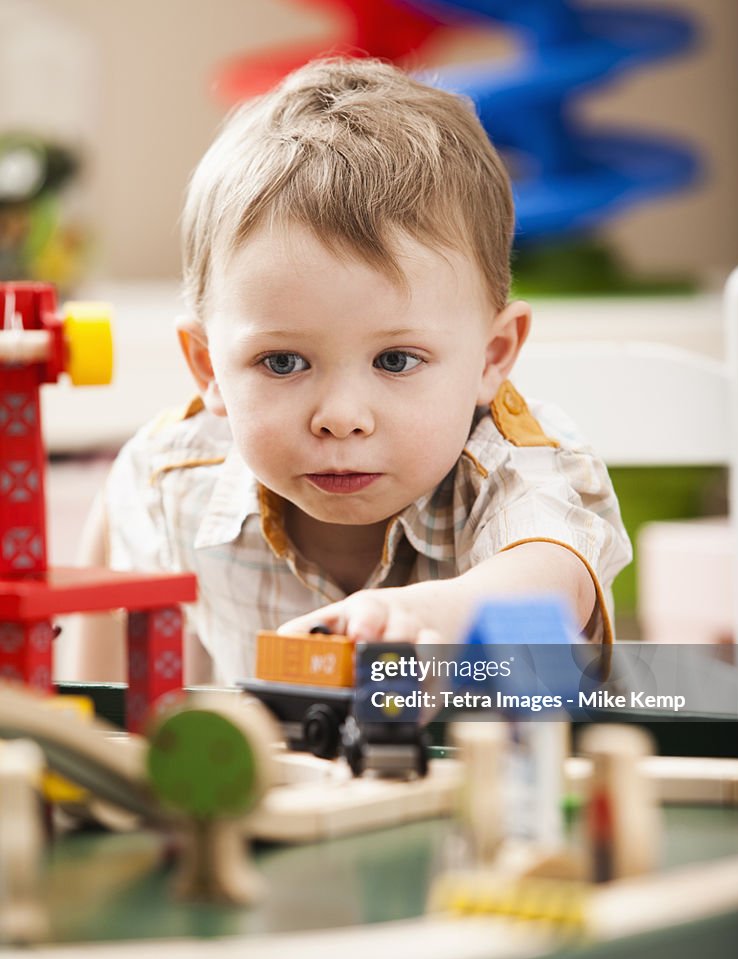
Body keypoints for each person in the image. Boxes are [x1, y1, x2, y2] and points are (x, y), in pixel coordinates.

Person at [76, 57, 631, 685]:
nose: (340, 417)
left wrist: (426, 614)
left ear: (493, 356)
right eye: (282, 362)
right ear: (208, 366)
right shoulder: (167, 479)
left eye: (395, 360)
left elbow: (554, 577)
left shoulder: (518, 464)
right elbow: (107, 687)